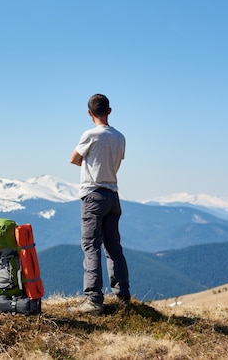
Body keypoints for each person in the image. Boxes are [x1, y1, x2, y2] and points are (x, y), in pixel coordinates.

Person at [69, 93, 130, 315]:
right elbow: (116, 162)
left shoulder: (90, 135)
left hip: (92, 195)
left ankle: (94, 300)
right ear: (109, 111)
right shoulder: (120, 137)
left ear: (89, 113)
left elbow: (74, 159)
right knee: (114, 247)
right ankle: (123, 297)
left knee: (91, 245)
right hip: (113, 195)